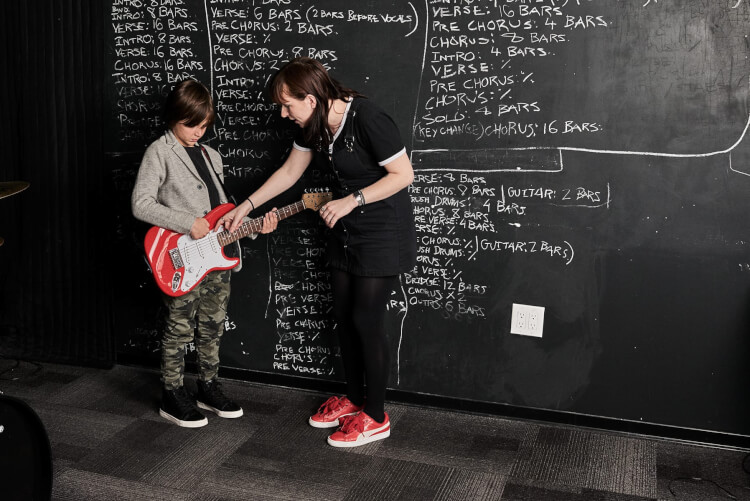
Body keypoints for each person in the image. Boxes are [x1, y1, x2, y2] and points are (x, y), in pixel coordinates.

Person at [224, 57, 417, 447]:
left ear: (311, 100)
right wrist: (246, 206)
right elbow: (290, 173)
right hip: (343, 230)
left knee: (366, 320)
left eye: (287, 105)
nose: (283, 113)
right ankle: (354, 399)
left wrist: (353, 200)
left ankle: (376, 416)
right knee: (344, 318)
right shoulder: (315, 126)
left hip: (382, 231)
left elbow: (404, 175)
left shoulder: (367, 117)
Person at [132, 79, 278, 428]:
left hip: (216, 254)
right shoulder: (159, 151)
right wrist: (187, 223)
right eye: (191, 125)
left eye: (204, 126)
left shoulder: (212, 156)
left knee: (213, 325)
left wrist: (255, 227)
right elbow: (140, 204)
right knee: (179, 328)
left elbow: (221, 214)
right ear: (173, 117)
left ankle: (208, 386)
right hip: (181, 256)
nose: (198, 132)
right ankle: (172, 392)